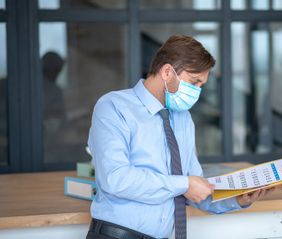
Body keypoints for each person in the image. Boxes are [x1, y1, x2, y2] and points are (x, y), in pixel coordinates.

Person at [86, 35, 272, 239]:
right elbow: (116, 179)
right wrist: (184, 184)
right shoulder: (113, 107)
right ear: (167, 72)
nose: (197, 92)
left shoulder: (183, 119)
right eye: (194, 82)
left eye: (202, 86)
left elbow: (194, 190)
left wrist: (238, 200)